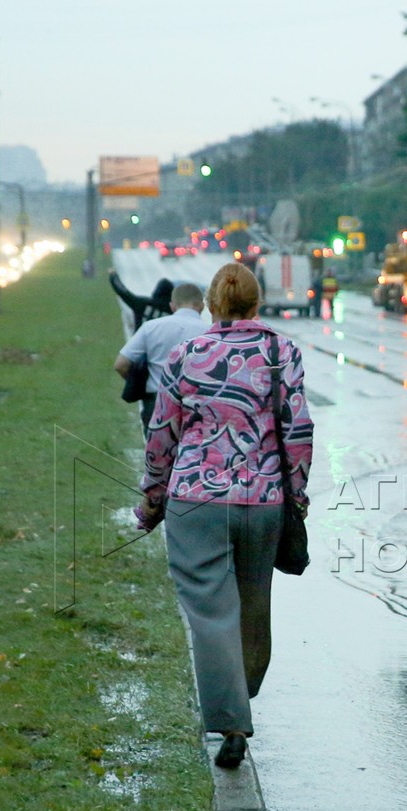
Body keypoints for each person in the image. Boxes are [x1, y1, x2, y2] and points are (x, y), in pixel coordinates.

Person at [136, 263, 313, 769]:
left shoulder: (186, 354)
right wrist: (296, 495)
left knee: (212, 614)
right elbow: (298, 432)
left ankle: (231, 721)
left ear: (212, 307)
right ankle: (241, 691)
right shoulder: (282, 352)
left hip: (196, 500)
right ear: (257, 304)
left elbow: (162, 433)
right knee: (254, 604)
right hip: (264, 501)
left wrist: (153, 495)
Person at [114, 282, 210, 433]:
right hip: (196, 404)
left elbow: (121, 364)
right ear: (202, 306)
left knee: (156, 448)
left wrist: (137, 383)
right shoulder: (210, 333)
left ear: (172, 306)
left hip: (157, 403)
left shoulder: (150, 327)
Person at [110, 270, 175, 336]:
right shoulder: (175, 311)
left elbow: (124, 293)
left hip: (141, 341)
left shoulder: (142, 304)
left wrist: (114, 276)